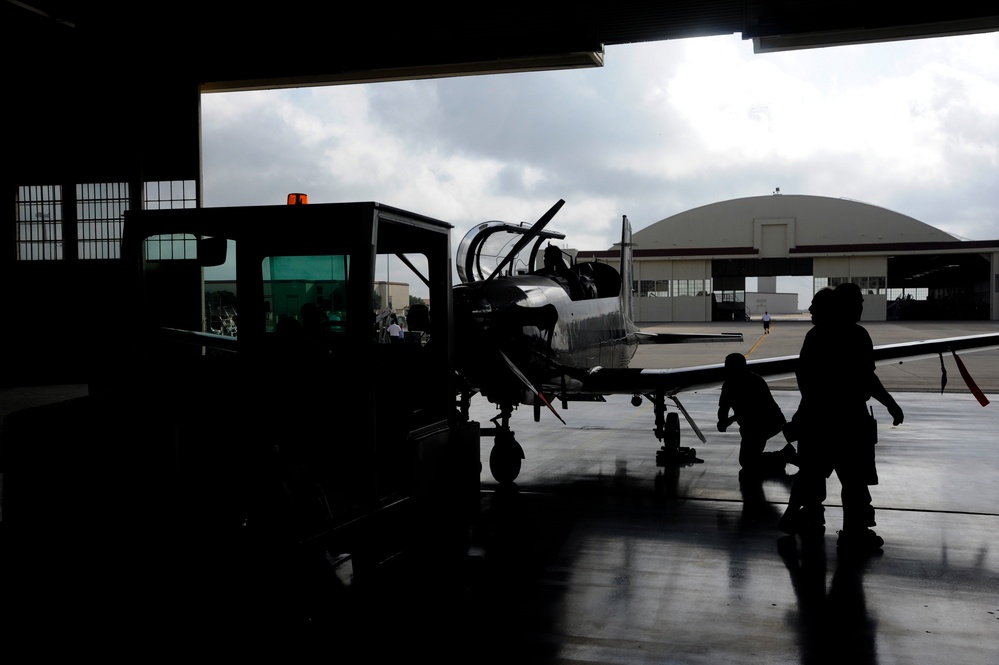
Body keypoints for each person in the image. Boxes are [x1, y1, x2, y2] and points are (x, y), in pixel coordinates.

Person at [779, 283, 904, 554]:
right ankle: (854, 534)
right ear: (845, 305)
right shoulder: (857, 335)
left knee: (811, 475)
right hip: (849, 421)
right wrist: (891, 405)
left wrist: (812, 408)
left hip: (817, 421)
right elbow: (867, 378)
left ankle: (797, 516)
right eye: (857, 302)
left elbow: (804, 376)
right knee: (854, 482)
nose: (861, 306)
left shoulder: (816, 335)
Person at [717, 352, 796, 477]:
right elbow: (723, 407)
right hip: (754, 425)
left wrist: (728, 420)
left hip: (765, 423)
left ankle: (783, 456)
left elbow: (753, 411)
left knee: (747, 461)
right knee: (748, 459)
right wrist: (722, 420)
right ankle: (781, 457)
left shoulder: (753, 382)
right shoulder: (731, 383)